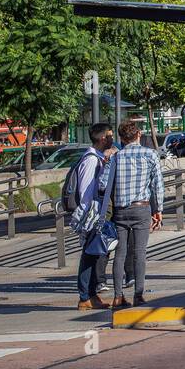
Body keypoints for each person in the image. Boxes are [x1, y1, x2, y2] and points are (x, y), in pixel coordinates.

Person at [109, 121, 164, 308]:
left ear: (121, 138)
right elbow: (158, 185)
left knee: (120, 253)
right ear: (139, 134)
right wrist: (159, 210)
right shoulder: (150, 154)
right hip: (142, 208)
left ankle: (117, 296)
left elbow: (103, 183)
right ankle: (138, 295)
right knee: (140, 252)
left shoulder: (116, 157)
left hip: (120, 210)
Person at [74, 124, 116, 310]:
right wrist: (88, 218)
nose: (112, 139)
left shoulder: (98, 158)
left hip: (96, 212)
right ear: (101, 139)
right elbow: (86, 191)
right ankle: (85, 296)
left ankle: (91, 295)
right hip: (92, 213)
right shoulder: (90, 160)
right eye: (109, 136)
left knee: (95, 254)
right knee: (89, 255)